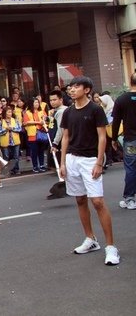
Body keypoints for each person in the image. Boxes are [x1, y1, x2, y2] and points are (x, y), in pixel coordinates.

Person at [60, 76, 119, 266]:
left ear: (86, 90)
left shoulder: (95, 109)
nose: (72, 89)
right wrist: (62, 163)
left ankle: (111, 247)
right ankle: (90, 239)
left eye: (76, 86)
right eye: (71, 87)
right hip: (72, 159)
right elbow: (65, 138)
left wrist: (100, 162)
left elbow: (102, 137)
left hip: (90, 160)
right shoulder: (68, 112)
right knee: (79, 199)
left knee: (98, 202)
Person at [111, 72, 136, 210]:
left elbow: (116, 122)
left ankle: (130, 199)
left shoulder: (121, 99)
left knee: (131, 168)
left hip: (131, 140)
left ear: (130, 81)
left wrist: (114, 139)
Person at [23, 97, 48, 173]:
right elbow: (25, 123)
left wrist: (44, 121)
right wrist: (37, 122)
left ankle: (41, 165)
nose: (37, 104)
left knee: (41, 151)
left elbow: (46, 120)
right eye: (35, 102)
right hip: (32, 135)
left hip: (41, 133)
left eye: (37, 102)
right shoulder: (27, 113)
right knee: (34, 151)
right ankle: (35, 166)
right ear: (31, 104)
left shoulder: (42, 111)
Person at [47, 90, 67, 176]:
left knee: (59, 163)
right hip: (54, 139)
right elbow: (52, 125)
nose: (52, 102)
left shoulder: (61, 111)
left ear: (61, 100)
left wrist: (55, 143)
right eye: (51, 100)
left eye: (54, 100)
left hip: (59, 141)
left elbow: (61, 129)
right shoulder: (55, 111)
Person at [0, 106, 21, 175]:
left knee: (16, 156)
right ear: (5, 113)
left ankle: (16, 169)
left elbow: (19, 129)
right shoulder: (1, 122)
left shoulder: (15, 120)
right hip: (5, 141)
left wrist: (12, 128)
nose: (10, 113)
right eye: (8, 112)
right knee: (6, 156)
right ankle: (8, 171)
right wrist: (6, 129)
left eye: (11, 112)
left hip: (15, 141)